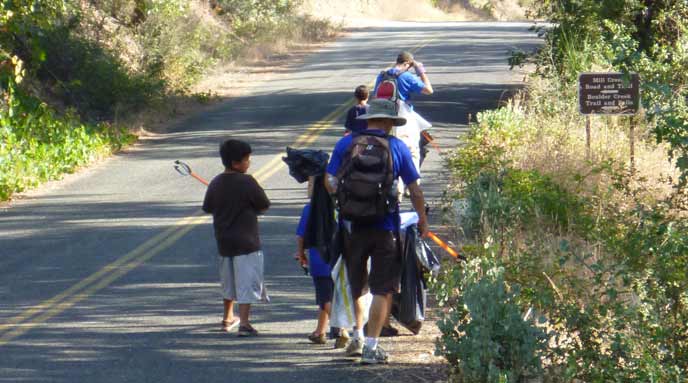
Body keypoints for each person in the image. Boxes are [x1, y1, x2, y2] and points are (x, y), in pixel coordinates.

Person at [325, 98, 429, 364]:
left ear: (369, 119)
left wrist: (348, 201)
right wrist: (422, 221)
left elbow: (329, 181)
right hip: (385, 228)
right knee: (383, 288)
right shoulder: (397, 147)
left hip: (352, 227)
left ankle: (358, 336)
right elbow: (415, 189)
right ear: (389, 123)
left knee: (357, 283)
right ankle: (372, 346)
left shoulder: (345, 144)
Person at [202, 139, 270, 337]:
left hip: (224, 241)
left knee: (228, 281)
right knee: (247, 281)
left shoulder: (215, 182)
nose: (249, 163)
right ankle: (245, 323)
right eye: (246, 160)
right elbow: (263, 205)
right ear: (235, 163)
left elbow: (208, 207)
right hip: (247, 241)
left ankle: (228, 317)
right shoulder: (247, 181)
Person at [295, 178, 350, 348]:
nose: (308, 188)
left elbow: (301, 236)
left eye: (311, 185)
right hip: (338, 258)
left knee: (325, 298)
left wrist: (301, 253)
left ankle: (342, 329)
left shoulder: (309, 209)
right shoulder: (338, 207)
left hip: (319, 261)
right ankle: (320, 331)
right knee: (330, 295)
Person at [374, 51, 433, 187]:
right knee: (412, 152)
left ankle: (395, 189)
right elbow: (429, 90)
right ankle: (412, 186)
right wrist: (421, 71)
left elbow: (375, 96)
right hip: (403, 119)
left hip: (384, 118)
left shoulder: (382, 75)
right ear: (407, 64)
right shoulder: (407, 76)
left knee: (389, 152)